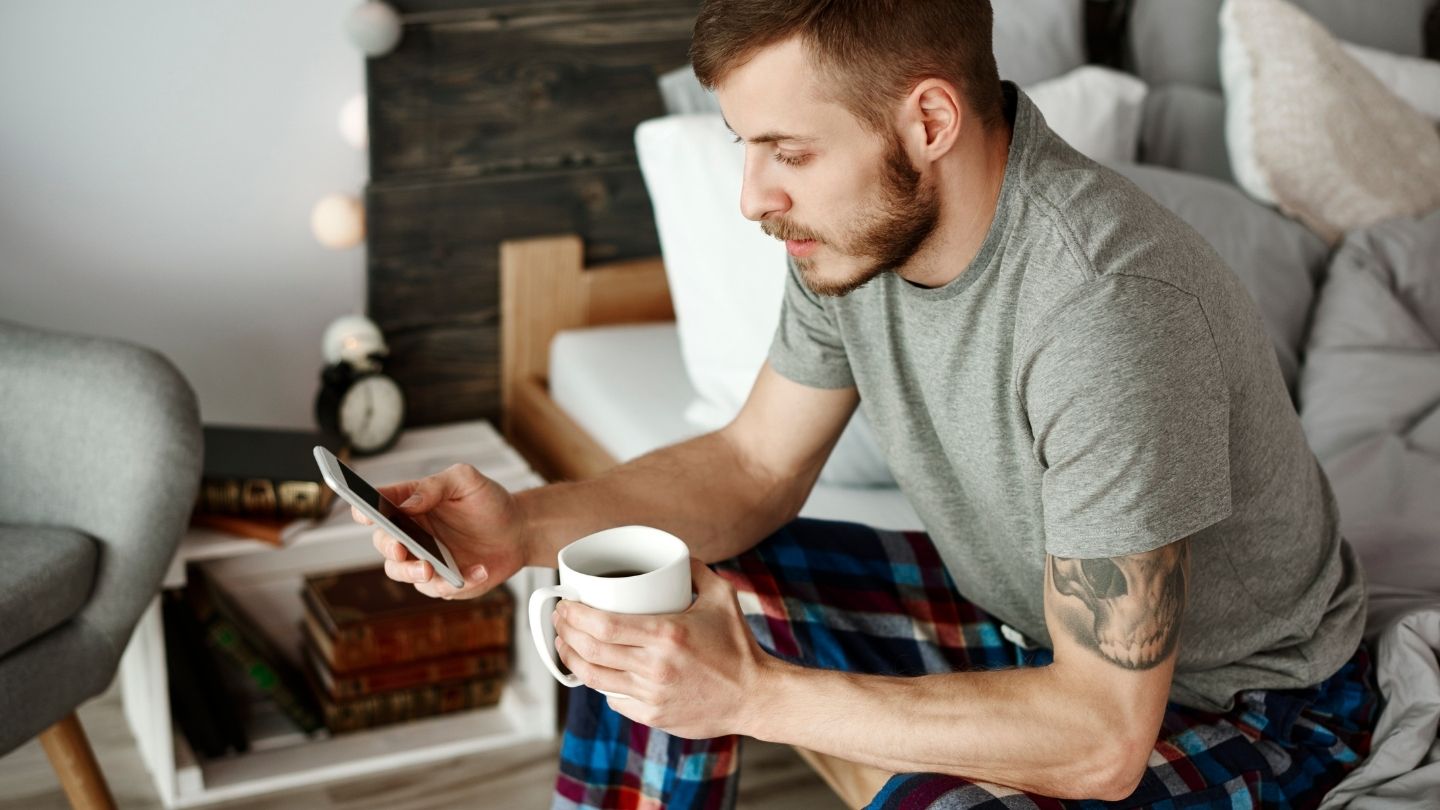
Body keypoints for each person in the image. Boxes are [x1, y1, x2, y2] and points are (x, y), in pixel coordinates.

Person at [350, 1, 1376, 806]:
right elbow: (752, 467)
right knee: (643, 593)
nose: (751, 196)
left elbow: (1106, 738)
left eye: (787, 152)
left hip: (1242, 703)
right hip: (1021, 618)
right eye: (744, 145)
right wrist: (519, 525)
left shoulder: (1108, 313)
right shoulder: (855, 234)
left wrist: (750, 692)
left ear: (928, 120)